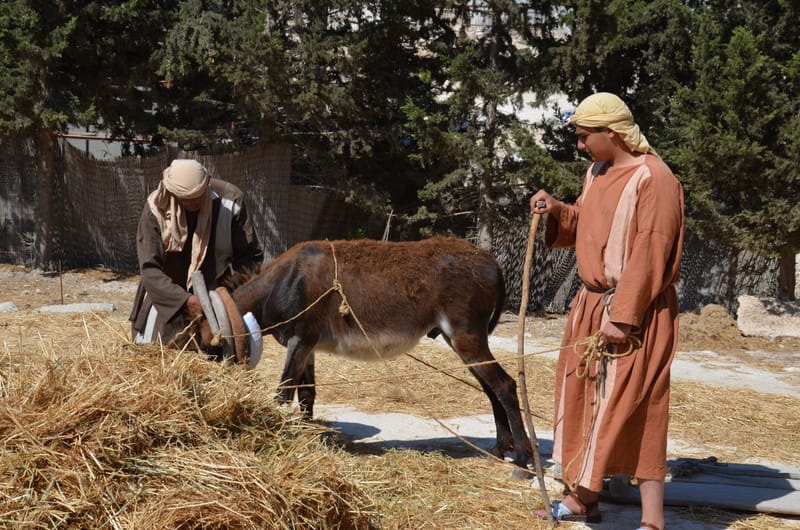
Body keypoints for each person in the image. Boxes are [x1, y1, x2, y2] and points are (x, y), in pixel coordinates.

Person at [531, 93, 684, 530]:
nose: (579, 145)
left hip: (635, 313)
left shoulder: (655, 178)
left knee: (639, 406)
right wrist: (558, 210)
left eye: (583, 137)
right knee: (585, 401)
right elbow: (591, 223)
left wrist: (624, 315)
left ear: (610, 134)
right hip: (591, 306)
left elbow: (651, 248)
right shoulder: (596, 171)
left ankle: (652, 520)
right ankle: (584, 498)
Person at [129, 158, 264, 345]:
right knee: (155, 355)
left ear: (208, 182)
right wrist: (185, 300)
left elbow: (248, 257)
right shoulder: (155, 209)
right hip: (166, 297)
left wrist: (234, 301)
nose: (192, 206)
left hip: (215, 294)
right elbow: (150, 269)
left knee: (221, 357)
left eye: (198, 199)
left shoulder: (230, 201)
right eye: (185, 201)